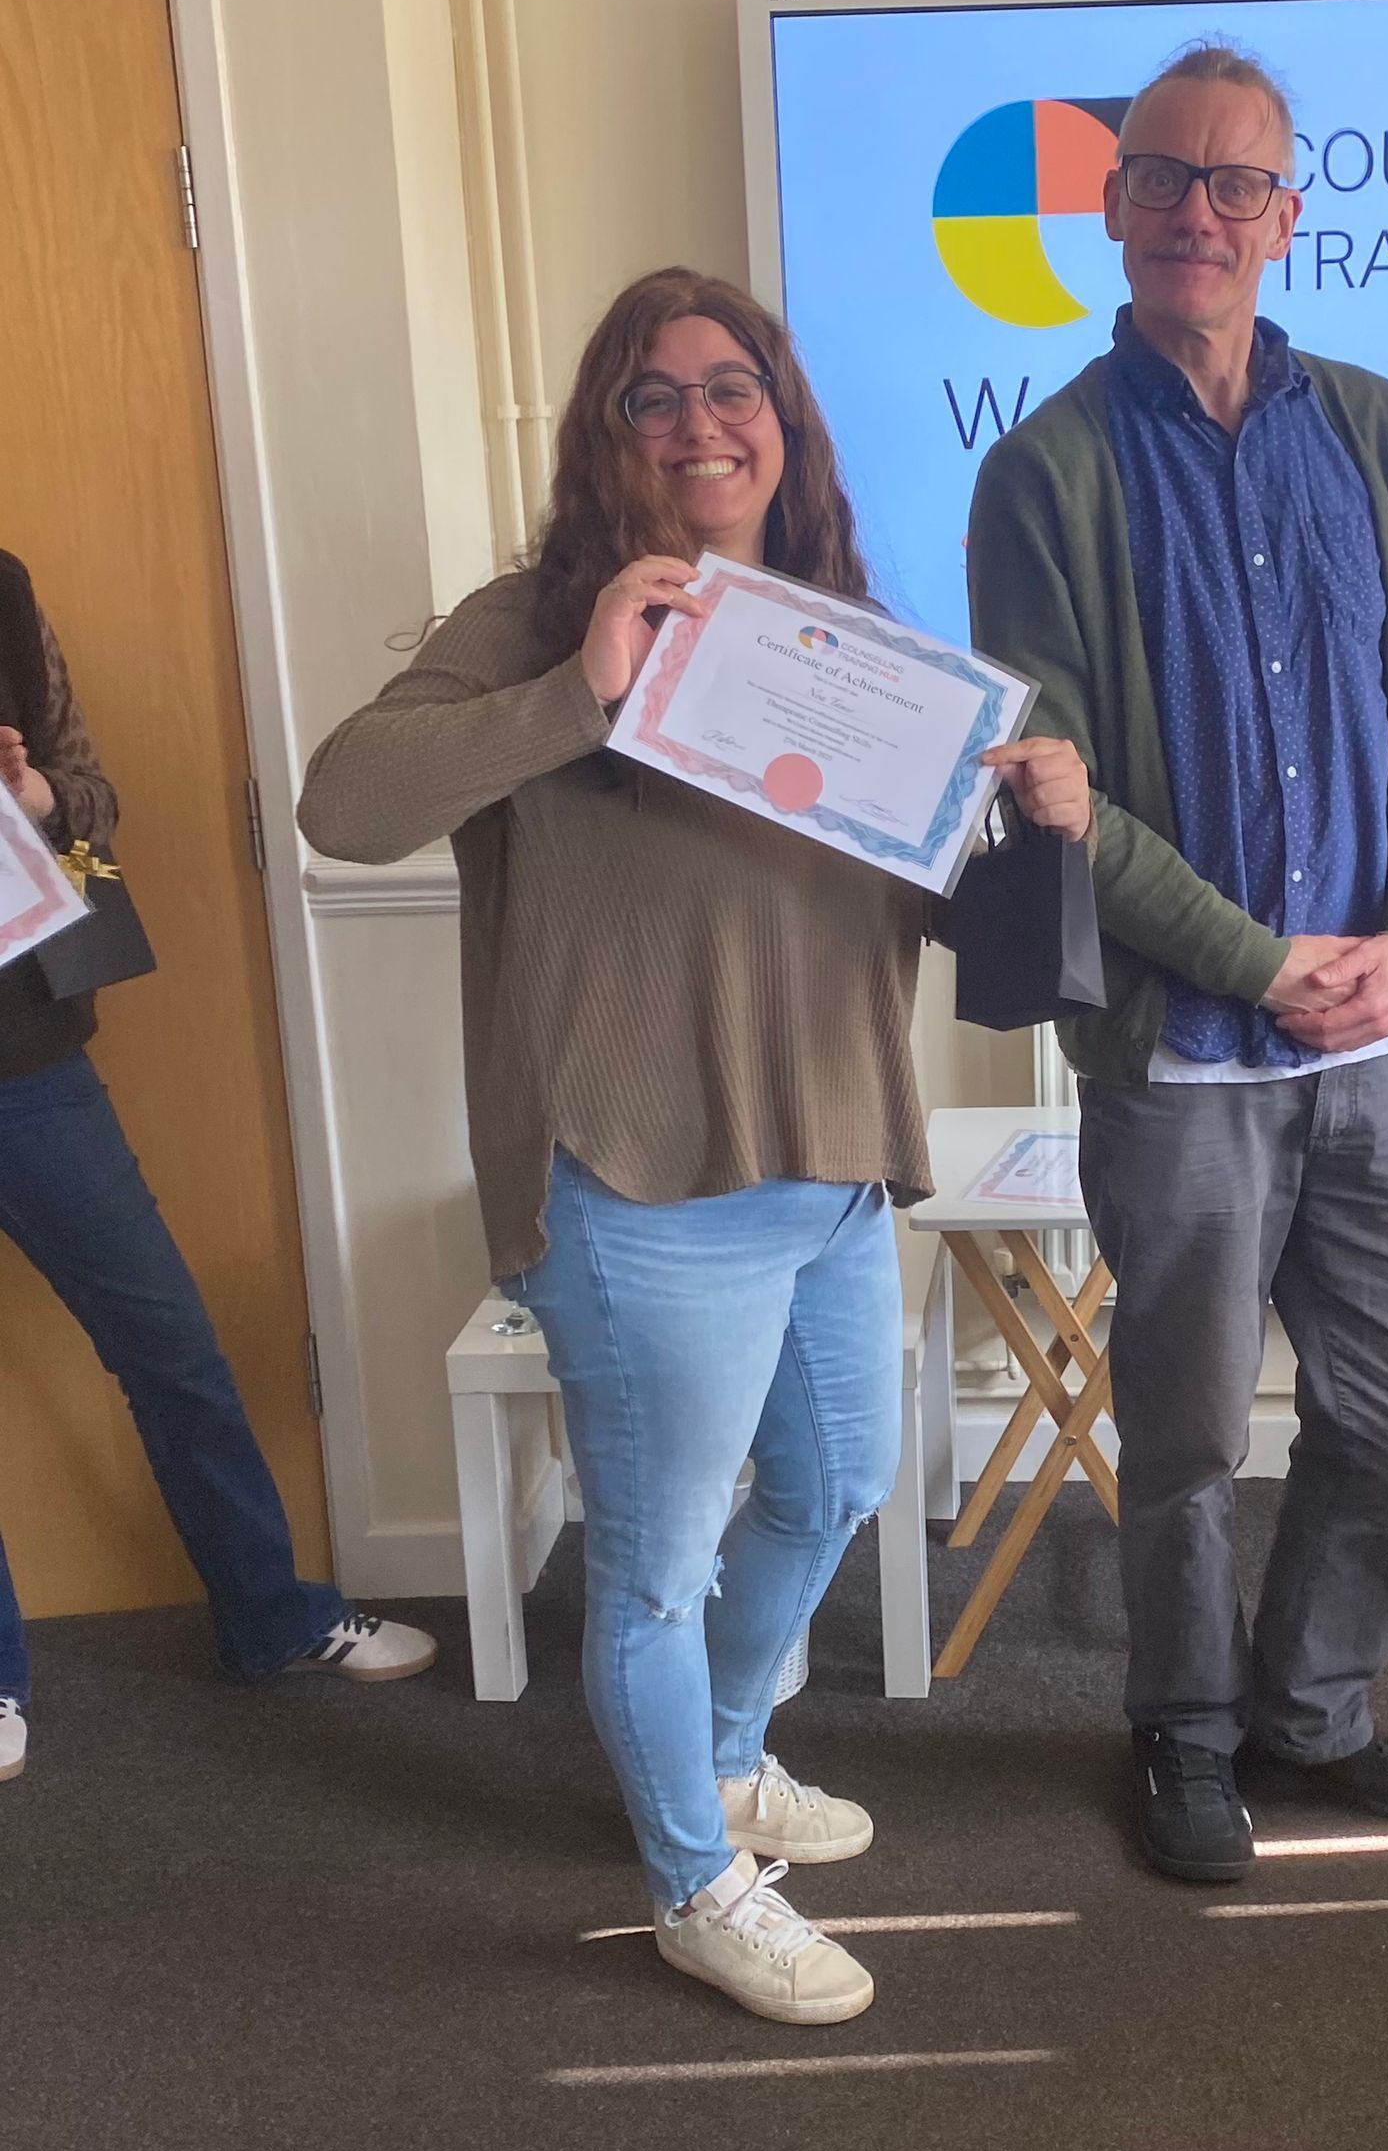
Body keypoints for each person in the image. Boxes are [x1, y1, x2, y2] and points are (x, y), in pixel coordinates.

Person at [299, 270, 1089, 2024]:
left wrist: (1037, 820)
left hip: (828, 1156)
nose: (703, 424)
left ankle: (726, 1756)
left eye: (736, 389)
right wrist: (582, 686)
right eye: (655, 397)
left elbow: (945, 911)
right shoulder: (532, 622)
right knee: (651, 1566)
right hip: (638, 1175)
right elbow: (342, 805)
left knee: (835, 1486)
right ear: (608, 435)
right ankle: (690, 1882)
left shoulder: (846, 640)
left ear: (784, 423)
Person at [967, 43, 1388, 1886]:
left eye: (1236, 182)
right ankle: (1185, 1733)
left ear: (1286, 211)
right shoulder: (1044, 472)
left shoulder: (1373, 431)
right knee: (1185, 1437)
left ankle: (1314, 1712)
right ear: (1110, 208)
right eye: (1167, 177)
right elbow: (1062, 801)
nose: (1201, 210)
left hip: (1384, 1042)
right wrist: (1267, 963)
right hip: (1187, 1052)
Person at [0, 551, 435, 1784]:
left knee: (169, 1346)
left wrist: (35, 799)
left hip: (25, 1056)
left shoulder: (3, 589)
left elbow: (91, 796)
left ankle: (270, 1616)